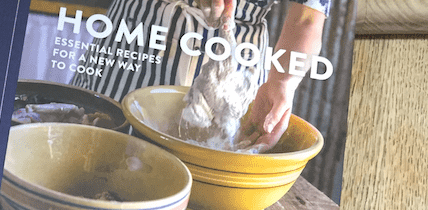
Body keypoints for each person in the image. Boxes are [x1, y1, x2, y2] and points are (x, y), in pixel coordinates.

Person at [72, 0, 331, 150]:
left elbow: (307, 18)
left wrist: (283, 82)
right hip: (138, 32)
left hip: (236, 58)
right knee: (92, 151)